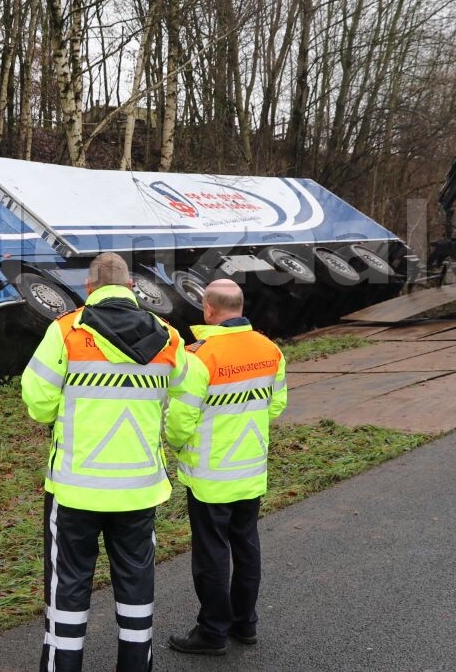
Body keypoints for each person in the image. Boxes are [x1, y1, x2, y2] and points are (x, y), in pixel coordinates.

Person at [21, 252, 189, 672]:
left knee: (69, 588)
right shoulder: (170, 338)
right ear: (131, 287)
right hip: (138, 487)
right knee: (136, 584)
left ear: (89, 289)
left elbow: (38, 403)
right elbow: (181, 398)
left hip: (76, 486)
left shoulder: (66, 332)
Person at [163, 278, 288, 656]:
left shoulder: (199, 355)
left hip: (210, 475)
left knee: (212, 554)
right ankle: (245, 624)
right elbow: (276, 406)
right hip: (250, 468)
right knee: (246, 546)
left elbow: (179, 420)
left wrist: (179, 446)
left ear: (208, 309)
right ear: (240, 305)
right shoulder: (270, 349)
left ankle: (212, 632)